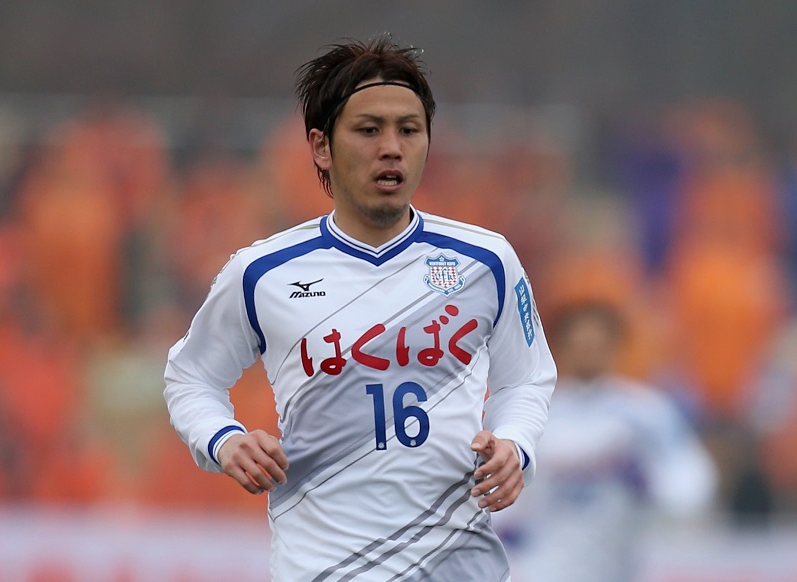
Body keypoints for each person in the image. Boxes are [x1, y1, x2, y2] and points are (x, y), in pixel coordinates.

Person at [164, 34, 556, 581]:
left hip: (456, 568)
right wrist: (222, 440)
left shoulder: (486, 260)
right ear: (321, 147)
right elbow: (191, 378)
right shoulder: (262, 272)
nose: (391, 147)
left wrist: (515, 444)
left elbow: (527, 378)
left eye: (409, 130)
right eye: (369, 130)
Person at [491, 301, 717, 582]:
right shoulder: (532, 415)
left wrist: (650, 483)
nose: (588, 354)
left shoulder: (646, 413)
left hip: (621, 565)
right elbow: (502, 500)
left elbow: (691, 486)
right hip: (543, 567)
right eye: (579, 345)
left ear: (616, 346)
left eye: (597, 345)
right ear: (558, 348)